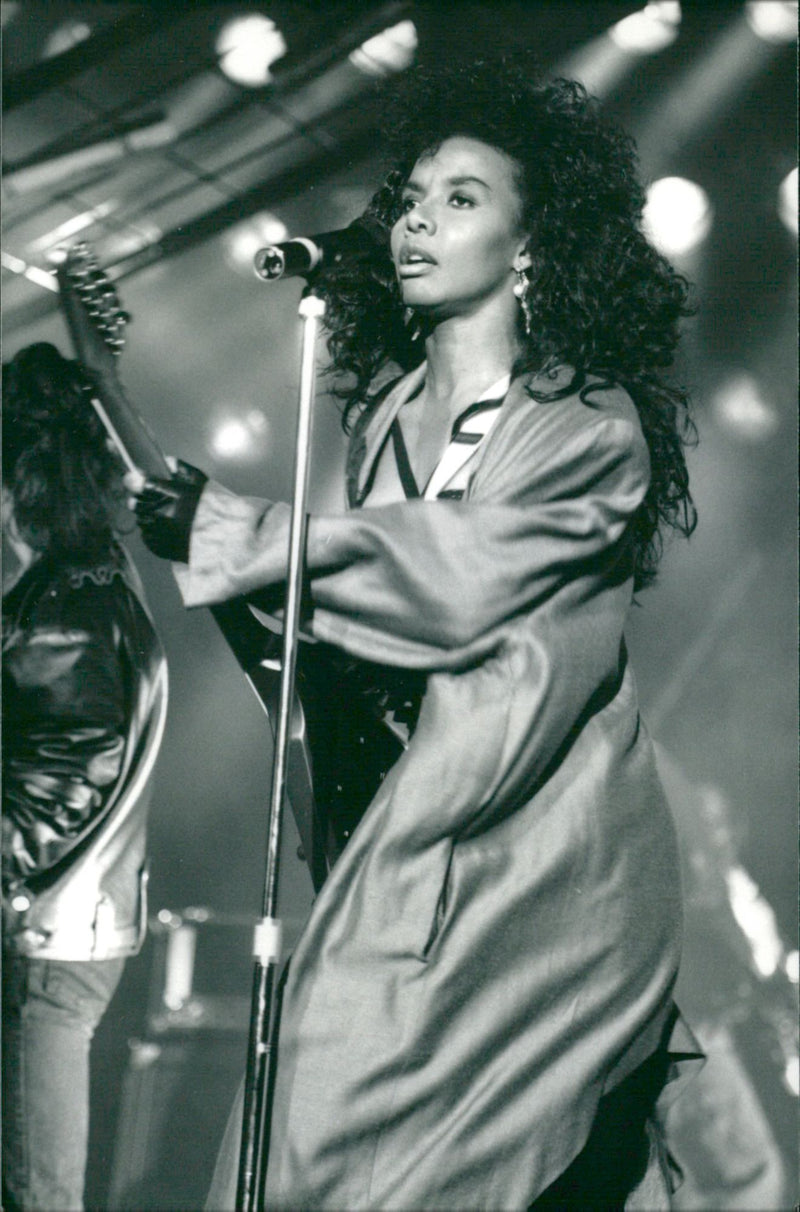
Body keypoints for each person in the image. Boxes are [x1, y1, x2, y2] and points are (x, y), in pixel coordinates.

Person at [131, 56, 701, 1210]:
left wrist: (252, 536)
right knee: (322, 1134)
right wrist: (242, 578)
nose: (414, 222)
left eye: (460, 198)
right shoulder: (384, 420)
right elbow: (362, 624)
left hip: (550, 885)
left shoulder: (588, 426)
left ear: (529, 245)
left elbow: (461, 576)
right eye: (411, 196)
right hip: (419, 854)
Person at [2, 343, 168, 1212]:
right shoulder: (93, 575)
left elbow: (64, 777)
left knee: (38, 1189)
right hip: (72, 924)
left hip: (46, 938)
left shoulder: (70, 608)